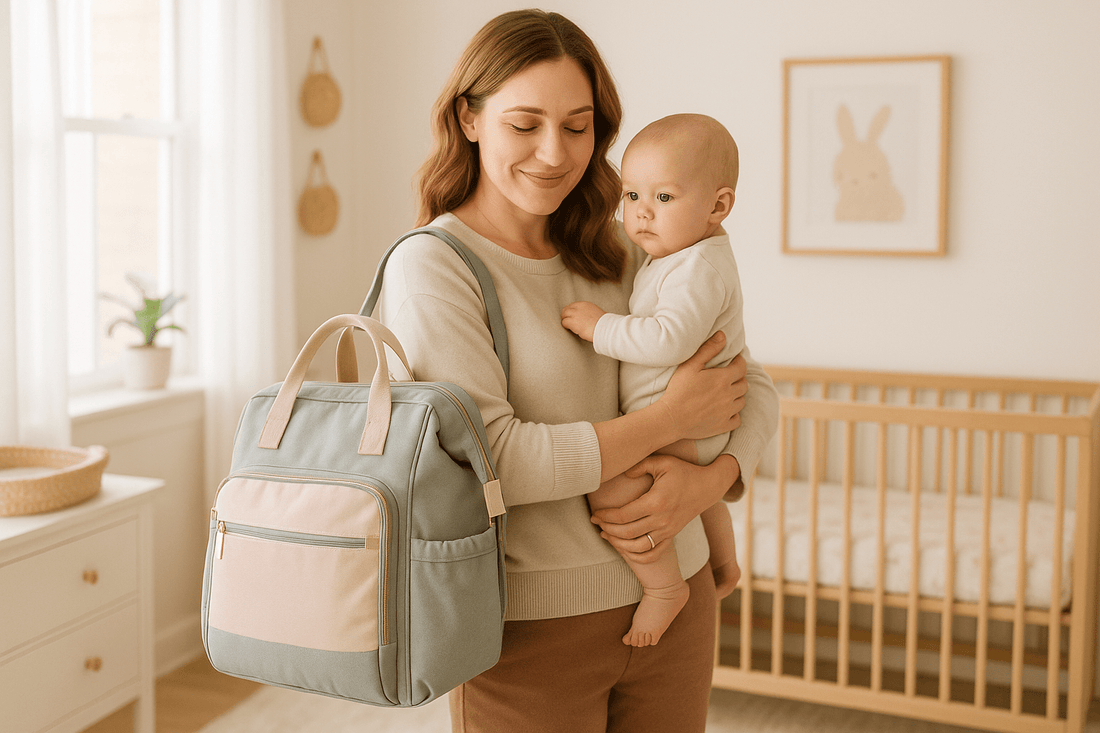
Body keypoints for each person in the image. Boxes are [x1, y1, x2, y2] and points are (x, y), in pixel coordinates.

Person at [373, 10, 777, 733]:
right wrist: (667, 423)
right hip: (528, 633)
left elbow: (749, 381)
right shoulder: (435, 265)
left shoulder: (625, 248)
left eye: (579, 125)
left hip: (679, 603)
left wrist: (710, 483)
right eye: (525, 125)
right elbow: (495, 459)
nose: (556, 153)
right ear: (470, 118)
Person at [561, 113, 747, 648]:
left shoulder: (697, 269)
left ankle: (664, 586)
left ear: (718, 206)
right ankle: (725, 561)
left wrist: (601, 328)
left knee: (611, 484)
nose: (641, 213)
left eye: (663, 198)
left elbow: (667, 339)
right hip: (696, 425)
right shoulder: (681, 254)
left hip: (690, 420)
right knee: (703, 494)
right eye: (631, 194)